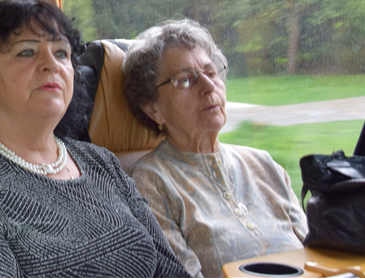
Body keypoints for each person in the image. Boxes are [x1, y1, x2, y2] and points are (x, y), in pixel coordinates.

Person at [0, 0, 189, 278]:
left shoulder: (101, 162)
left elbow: (169, 270)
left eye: (61, 53)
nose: (53, 64)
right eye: (26, 52)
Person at [123, 19, 307, 278]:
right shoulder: (150, 182)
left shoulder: (264, 165)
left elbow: (318, 256)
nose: (209, 86)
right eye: (185, 80)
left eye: (211, 73)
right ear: (152, 108)